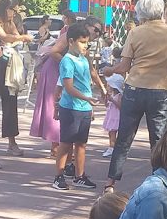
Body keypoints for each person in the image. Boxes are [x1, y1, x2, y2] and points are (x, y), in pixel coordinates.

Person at [103, 0, 167, 193]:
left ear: (142, 12)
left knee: (124, 138)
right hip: (160, 90)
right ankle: (159, 183)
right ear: (160, 11)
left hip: (135, 88)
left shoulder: (135, 33)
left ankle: (110, 183)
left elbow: (124, 65)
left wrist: (110, 70)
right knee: (158, 140)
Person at [30, 15, 106, 157]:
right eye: (96, 30)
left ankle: (61, 147)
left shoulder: (83, 44)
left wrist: (102, 87)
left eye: (100, 33)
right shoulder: (71, 34)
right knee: (58, 104)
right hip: (55, 68)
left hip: (64, 71)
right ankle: (57, 147)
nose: (97, 34)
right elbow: (54, 52)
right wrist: (71, 65)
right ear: (87, 25)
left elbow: (91, 69)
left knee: (68, 106)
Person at [52, 22, 99, 191]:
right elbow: (69, 87)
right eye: (81, 42)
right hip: (70, 108)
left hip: (84, 108)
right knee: (66, 144)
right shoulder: (67, 60)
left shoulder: (83, 60)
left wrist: (95, 96)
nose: (85, 46)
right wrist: (87, 98)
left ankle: (80, 176)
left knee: (81, 144)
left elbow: (88, 80)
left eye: (87, 42)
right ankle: (58, 176)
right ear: (71, 41)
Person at [0, 0, 32, 157]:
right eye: (12, 10)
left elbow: (13, 36)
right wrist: (20, 38)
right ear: (4, 8)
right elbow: (5, 36)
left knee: (10, 100)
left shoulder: (10, 21)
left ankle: (11, 142)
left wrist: (15, 39)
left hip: (7, 61)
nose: (13, 13)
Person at [101, 72, 124, 158]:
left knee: (113, 132)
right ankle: (112, 147)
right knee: (111, 133)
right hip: (111, 116)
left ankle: (112, 148)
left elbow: (120, 106)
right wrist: (106, 100)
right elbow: (107, 105)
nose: (108, 86)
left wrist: (113, 100)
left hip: (116, 117)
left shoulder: (119, 95)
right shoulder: (113, 95)